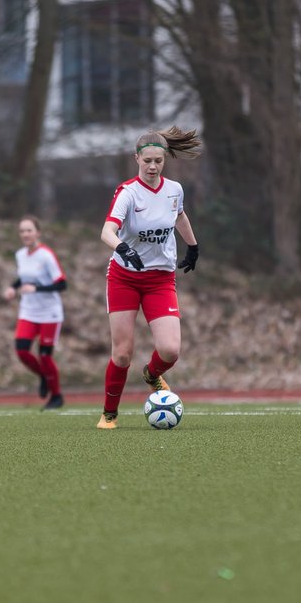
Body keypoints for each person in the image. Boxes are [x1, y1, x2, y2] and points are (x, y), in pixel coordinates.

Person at [96, 126, 202, 429]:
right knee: (122, 354)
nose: (153, 167)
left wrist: (193, 246)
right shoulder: (127, 192)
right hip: (124, 278)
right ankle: (109, 414)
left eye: (159, 160)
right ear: (136, 159)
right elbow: (107, 231)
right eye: (147, 161)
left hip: (160, 280)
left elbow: (179, 215)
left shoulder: (175, 189)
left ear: (165, 158)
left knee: (170, 350)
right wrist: (122, 248)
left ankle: (152, 374)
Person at [3, 215, 68, 411]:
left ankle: (56, 396)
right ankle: (43, 376)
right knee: (22, 351)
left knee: (45, 356)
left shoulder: (46, 255)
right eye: (22, 231)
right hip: (28, 311)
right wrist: (13, 288)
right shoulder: (20, 255)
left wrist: (37, 289)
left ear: (37, 232)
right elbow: (23, 278)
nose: (25, 234)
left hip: (49, 313)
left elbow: (62, 283)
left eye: (29, 230)